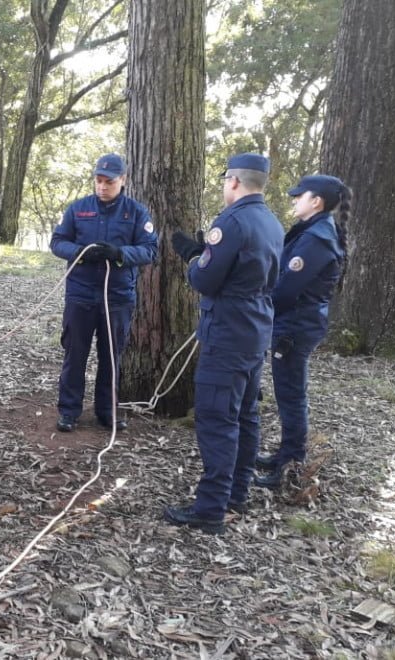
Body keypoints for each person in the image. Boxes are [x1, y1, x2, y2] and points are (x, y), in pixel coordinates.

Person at [164, 152, 284, 535]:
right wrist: (206, 255)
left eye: (224, 180)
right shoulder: (272, 221)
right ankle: (237, 493)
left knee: (218, 419)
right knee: (246, 416)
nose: (223, 186)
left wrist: (194, 259)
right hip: (255, 330)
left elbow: (204, 280)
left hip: (228, 331)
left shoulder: (231, 221)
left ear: (233, 181)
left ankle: (210, 508)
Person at [49, 154, 158, 433]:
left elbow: (149, 250)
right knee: (75, 355)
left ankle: (106, 412)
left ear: (123, 180)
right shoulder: (78, 209)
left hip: (118, 297)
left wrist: (120, 254)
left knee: (111, 357)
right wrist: (80, 254)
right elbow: (58, 241)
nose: (102, 187)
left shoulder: (136, 212)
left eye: (109, 182)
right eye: (98, 181)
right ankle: (69, 411)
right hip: (81, 294)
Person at [254, 175, 350, 489]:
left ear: (317, 201)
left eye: (300, 196)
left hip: (295, 327)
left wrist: (259, 311)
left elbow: (286, 290)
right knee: (289, 393)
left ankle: (291, 463)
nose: (294, 200)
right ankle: (285, 453)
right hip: (296, 323)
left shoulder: (317, 238)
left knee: (291, 395)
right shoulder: (313, 231)